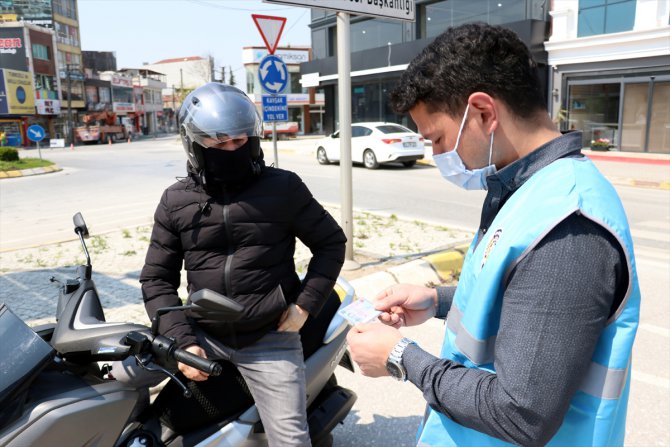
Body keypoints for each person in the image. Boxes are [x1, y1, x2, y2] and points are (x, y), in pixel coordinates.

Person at [346, 23, 639, 447]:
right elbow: (517, 298)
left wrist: (400, 357)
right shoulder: (526, 188)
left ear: (483, 112)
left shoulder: (567, 228)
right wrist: (436, 301)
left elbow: (522, 414)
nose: (437, 156)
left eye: (438, 138)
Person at [117, 83, 346, 446]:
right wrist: (182, 340)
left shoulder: (283, 188)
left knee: (291, 439)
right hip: (202, 335)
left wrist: (304, 305)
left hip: (269, 336)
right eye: (219, 143)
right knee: (131, 406)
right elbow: (157, 279)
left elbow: (331, 243)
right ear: (193, 145)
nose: (232, 150)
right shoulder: (176, 201)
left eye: (240, 142)